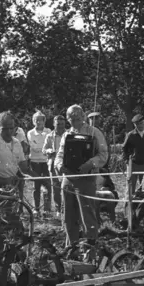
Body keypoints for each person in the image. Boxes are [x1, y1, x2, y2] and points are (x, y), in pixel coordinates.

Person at [55, 104, 108, 248]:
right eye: (71, 120)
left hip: (86, 179)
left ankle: (90, 247)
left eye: (77, 119)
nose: (75, 122)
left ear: (83, 117)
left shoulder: (94, 132)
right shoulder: (66, 135)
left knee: (87, 214)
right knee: (68, 215)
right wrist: (59, 166)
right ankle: (70, 246)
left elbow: (103, 154)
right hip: (68, 180)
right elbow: (59, 155)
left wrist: (90, 164)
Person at [25, 111, 53, 216]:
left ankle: (47, 209)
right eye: (36, 120)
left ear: (44, 121)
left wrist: (43, 148)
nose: (38, 122)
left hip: (46, 162)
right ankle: (36, 208)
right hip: (35, 162)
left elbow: (50, 145)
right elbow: (34, 147)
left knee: (47, 185)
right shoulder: (30, 133)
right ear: (33, 121)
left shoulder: (49, 131)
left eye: (40, 120)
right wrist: (44, 148)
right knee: (36, 186)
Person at [44, 114, 67, 216]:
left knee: (66, 187)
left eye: (62, 124)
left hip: (66, 164)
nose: (60, 126)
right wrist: (49, 150)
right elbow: (43, 150)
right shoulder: (49, 136)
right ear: (54, 124)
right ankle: (58, 209)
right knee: (56, 188)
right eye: (58, 124)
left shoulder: (69, 134)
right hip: (53, 164)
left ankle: (66, 207)